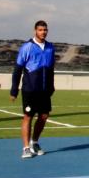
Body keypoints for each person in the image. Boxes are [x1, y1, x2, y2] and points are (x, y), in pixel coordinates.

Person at [10, 20, 55, 159]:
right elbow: (17, 70)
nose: (43, 32)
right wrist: (14, 90)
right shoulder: (27, 47)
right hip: (30, 89)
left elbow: (51, 69)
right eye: (41, 30)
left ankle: (34, 142)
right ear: (35, 31)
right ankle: (25, 148)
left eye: (45, 30)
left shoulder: (50, 48)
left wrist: (51, 85)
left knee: (44, 116)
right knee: (28, 116)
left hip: (44, 90)